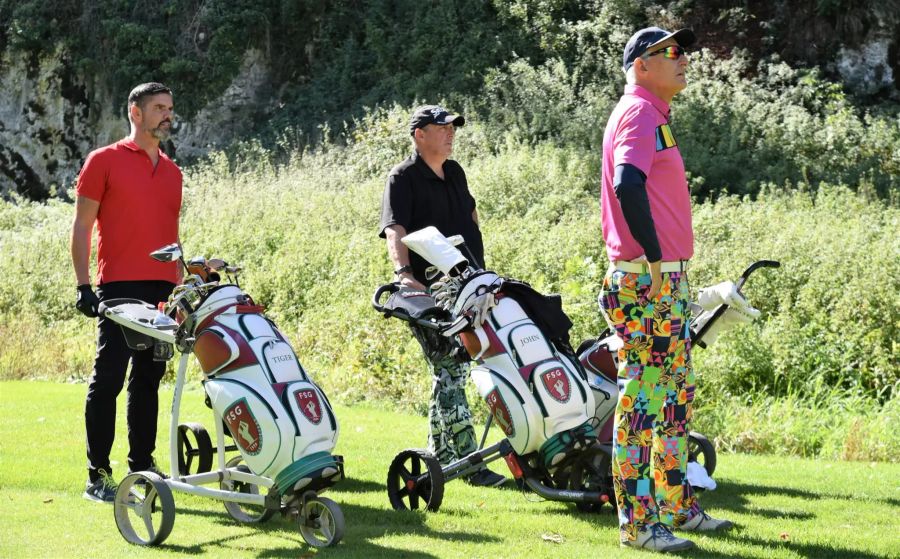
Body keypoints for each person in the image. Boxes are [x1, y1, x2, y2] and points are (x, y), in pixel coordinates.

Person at [598, 27, 733, 552]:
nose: (681, 60)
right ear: (640, 66)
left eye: (681, 52)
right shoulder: (637, 113)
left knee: (675, 397)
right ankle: (637, 524)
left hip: (665, 280)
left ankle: (675, 504)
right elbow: (626, 183)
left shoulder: (655, 115)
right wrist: (655, 258)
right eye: (668, 53)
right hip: (644, 280)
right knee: (645, 400)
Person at [379, 105, 506, 487]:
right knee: (451, 365)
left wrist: (483, 273)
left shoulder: (454, 172)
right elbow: (394, 229)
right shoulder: (402, 177)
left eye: (453, 127)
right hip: (427, 291)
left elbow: (471, 219)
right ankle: (469, 464)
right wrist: (403, 275)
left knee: (452, 368)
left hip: (470, 285)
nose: (451, 133)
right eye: (442, 127)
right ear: (420, 134)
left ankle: (440, 458)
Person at [71, 82, 182, 503]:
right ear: (135, 112)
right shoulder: (104, 161)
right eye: (158, 107)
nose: (166, 115)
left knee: (149, 380)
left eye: (169, 108)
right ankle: (97, 475)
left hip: (162, 290)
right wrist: (84, 285)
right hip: (118, 287)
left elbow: (167, 234)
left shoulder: (173, 172)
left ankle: (142, 467)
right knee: (109, 379)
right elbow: (82, 226)